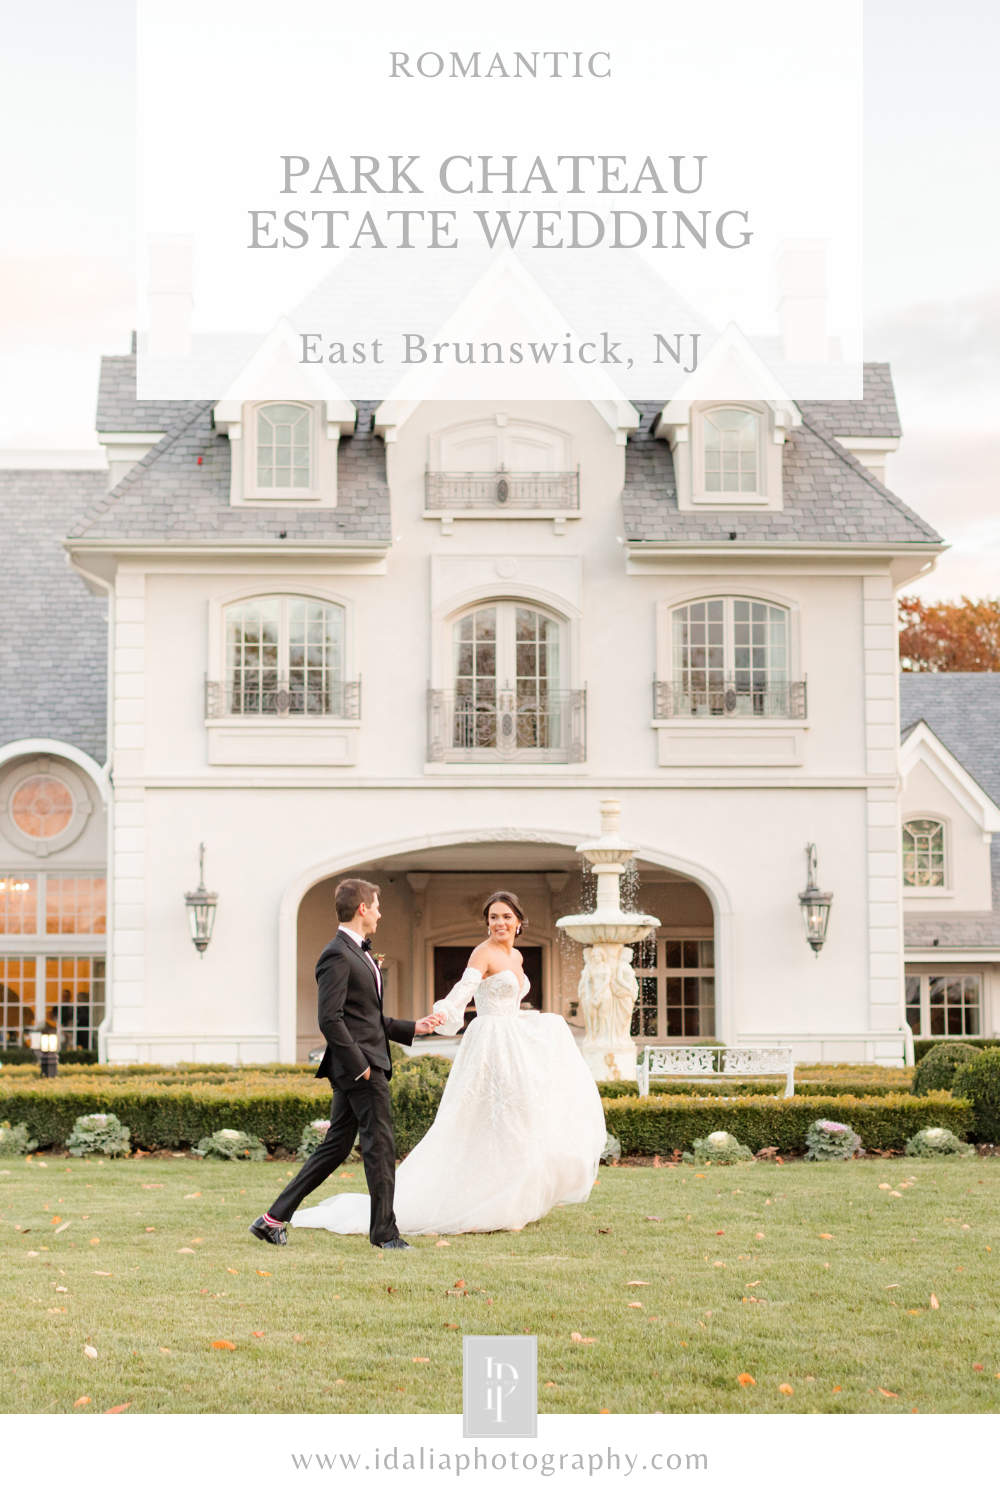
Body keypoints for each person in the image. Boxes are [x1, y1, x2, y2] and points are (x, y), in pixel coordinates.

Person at [291, 890, 607, 1238]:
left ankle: (512, 1202)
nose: (499, 923)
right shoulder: (482, 952)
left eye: (505, 917)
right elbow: (463, 990)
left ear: (519, 921)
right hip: (490, 1043)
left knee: (518, 1121)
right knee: (490, 1120)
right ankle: (466, 1204)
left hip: (515, 1041)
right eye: (493, 917)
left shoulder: (516, 956)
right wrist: (442, 1014)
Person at [249, 878, 444, 1251]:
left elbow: (365, 1018)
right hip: (360, 1068)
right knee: (380, 1147)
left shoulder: (358, 952)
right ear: (362, 909)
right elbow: (329, 1019)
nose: (380, 913)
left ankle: (271, 1220)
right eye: (377, 906)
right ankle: (385, 1235)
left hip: (361, 1064)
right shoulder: (337, 954)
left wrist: (411, 1027)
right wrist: (362, 1066)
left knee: (336, 1147)